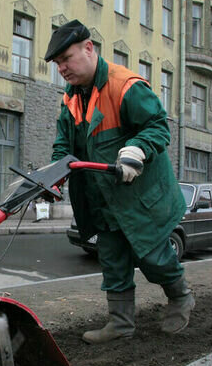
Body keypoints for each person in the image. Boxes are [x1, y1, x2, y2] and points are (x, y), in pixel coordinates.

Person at [46, 20, 194, 344]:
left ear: (89, 49)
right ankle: (121, 323)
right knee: (112, 262)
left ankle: (181, 297)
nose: (62, 68)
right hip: (104, 201)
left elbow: (158, 127)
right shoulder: (70, 99)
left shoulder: (125, 85)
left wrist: (137, 149)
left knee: (154, 259)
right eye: (58, 64)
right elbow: (63, 147)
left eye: (66, 59)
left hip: (138, 197)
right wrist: (53, 176)